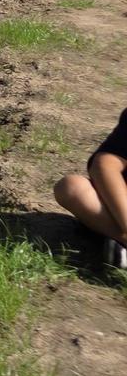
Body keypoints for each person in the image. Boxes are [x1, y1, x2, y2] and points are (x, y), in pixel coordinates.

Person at [54, 108, 127, 270]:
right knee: (71, 187)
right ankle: (121, 238)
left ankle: (119, 247)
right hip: (119, 209)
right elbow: (105, 164)